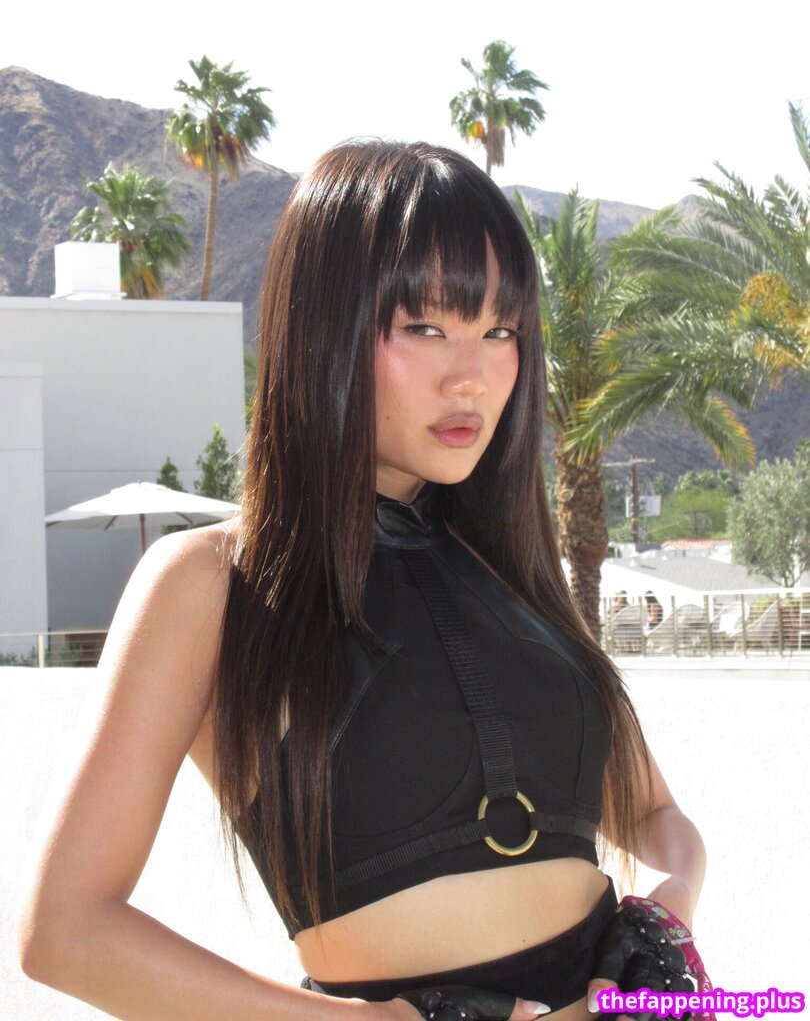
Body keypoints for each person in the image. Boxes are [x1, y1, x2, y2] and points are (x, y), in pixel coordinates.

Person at [18, 141, 706, 1020]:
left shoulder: (516, 573)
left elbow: (654, 815)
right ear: (326, 329)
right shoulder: (212, 585)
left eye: (501, 331)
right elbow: (65, 933)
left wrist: (668, 910)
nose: (472, 376)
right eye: (425, 327)